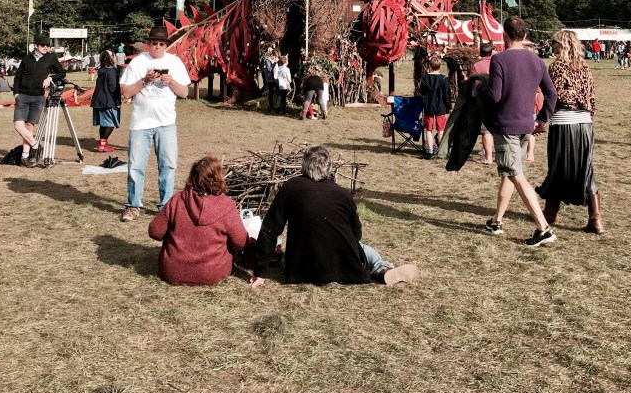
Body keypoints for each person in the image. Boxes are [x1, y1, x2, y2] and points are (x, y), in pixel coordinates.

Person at [250, 145, 419, 287]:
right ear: (328, 167)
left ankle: (381, 267)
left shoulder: (290, 188)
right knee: (364, 248)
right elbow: (356, 234)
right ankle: (383, 268)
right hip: (345, 268)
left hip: (301, 270)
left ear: (304, 165)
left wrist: (260, 273)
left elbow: (270, 230)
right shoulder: (343, 194)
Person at [480, 15, 558, 247]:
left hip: (506, 126)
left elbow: (494, 95)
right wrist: (542, 119)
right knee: (510, 171)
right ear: (524, 36)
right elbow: (551, 94)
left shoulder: (499, 59)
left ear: (504, 35)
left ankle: (543, 228)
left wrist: (479, 89)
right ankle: (496, 221)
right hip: (527, 125)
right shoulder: (537, 61)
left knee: (515, 174)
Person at [119, 26, 191, 222]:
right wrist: (145, 80)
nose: (157, 46)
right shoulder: (138, 62)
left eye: (161, 44)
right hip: (140, 124)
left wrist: (171, 82)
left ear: (166, 45)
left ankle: (166, 207)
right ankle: (133, 206)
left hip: (166, 123)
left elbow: (184, 93)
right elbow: (126, 93)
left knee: (168, 166)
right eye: (154, 43)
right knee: (135, 167)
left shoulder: (174, 62)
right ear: (148, 44)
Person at [536, 29, 604, 234]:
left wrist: (541, 120)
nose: (552, 45)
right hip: (584, 124)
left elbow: (553, 97)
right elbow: (591, 97)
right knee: (586, 169)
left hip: (564, 124)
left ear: (563, 44)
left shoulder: (556, 67)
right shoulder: (585, 67)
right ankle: (595, 219)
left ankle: (550, 212)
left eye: (554, 42)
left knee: (558, 167)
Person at [148, 156, 249, 286]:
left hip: (173, 272)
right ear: (219, 177)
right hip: (213, 274)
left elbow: (155, 231)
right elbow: (240, 243)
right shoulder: (227, 206)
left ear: (192, 176)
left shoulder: (177, 200)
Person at [11, 33, 66, 166]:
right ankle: (36, 146)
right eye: (43, 45)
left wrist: (50, 78)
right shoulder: (26, 59)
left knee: (30, 126)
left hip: (38, 97)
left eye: (48, 45)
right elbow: (18, 76)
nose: (46, 47)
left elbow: (62, 73)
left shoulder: (51, 58)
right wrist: (16, 93)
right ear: (36, 46)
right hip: (22, 96)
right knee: (18, 126)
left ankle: (26, 156)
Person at [419, 54, 452, 158]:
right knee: (440, 130)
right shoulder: (444, 79)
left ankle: (430, 151)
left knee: (428, 129)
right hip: (441, 107)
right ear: (439, 66)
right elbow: (447, 95)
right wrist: (449, 107)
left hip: (428, 106)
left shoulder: (425, 78)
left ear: (430, 65)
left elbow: (421, 92)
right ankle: (441, 152)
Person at [91, 50, 121, 153]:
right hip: (108, 100)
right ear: (111, 57)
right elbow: (113, 87)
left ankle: (103, 143)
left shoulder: (102, 70)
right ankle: (102, 145)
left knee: (104, 124)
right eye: (114, 56)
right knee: (110, 123)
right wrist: (117, 101)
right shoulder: (111, 70)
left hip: (98, 100)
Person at [470, 42, 494, 164]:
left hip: (483, 99)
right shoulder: (497, 63)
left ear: (480, 52)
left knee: (486, 130)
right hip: (498, 98)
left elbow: (473, 83)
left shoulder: (476, 65)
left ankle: (488, 157)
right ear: (491, 51)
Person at [263, 47, 278, 113]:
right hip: (270, 79)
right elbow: (269, 69)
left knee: (276, 93)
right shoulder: (267, 60)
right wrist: (274, 63)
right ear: (272, 55)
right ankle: (271, 108)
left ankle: (276, 106)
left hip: (275, 79)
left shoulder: (274, 61)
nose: (275, 58)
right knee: (271, 93)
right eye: (275, 56)